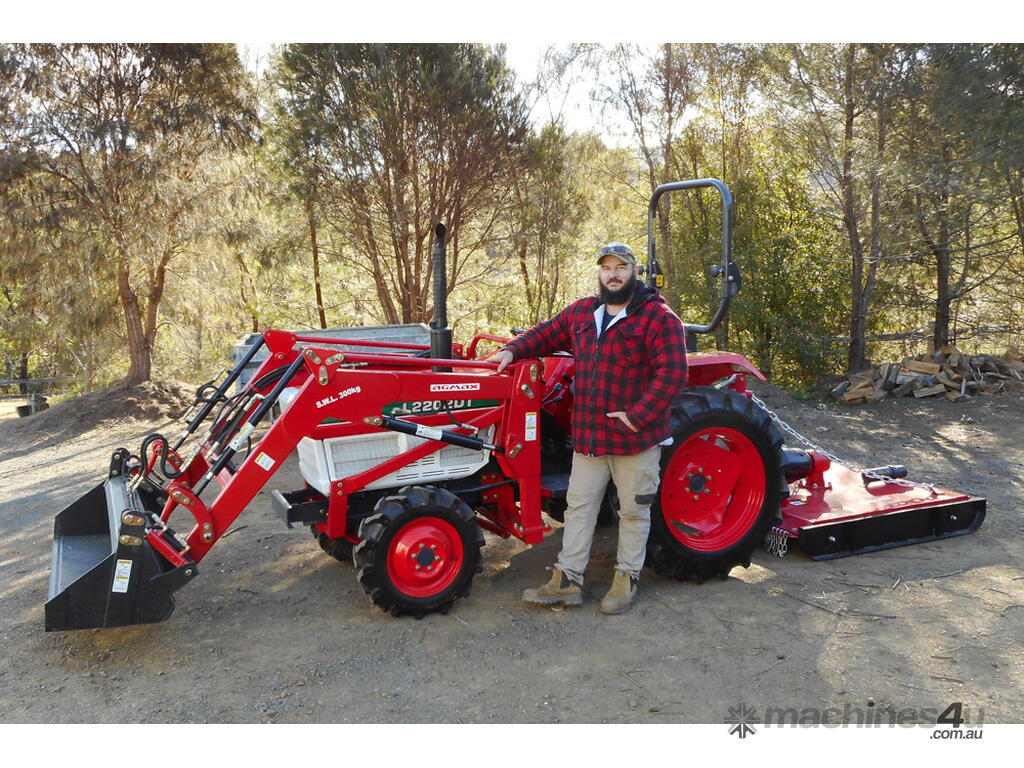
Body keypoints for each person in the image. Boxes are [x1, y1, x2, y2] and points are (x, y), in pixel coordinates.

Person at [489, 241, 687, 614]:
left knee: (632, 511)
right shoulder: (583, 312)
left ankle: (625, 580)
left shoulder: (659, 318)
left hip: (636, 438)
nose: (613, 274)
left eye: (621, 267)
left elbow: (673, 375)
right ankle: (567, 581)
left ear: (634, 272)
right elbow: (546, 333)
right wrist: (512, 350)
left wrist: (637, 415)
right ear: (599, 273)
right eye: (606, 268)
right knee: (579, 508)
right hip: (590, 435)